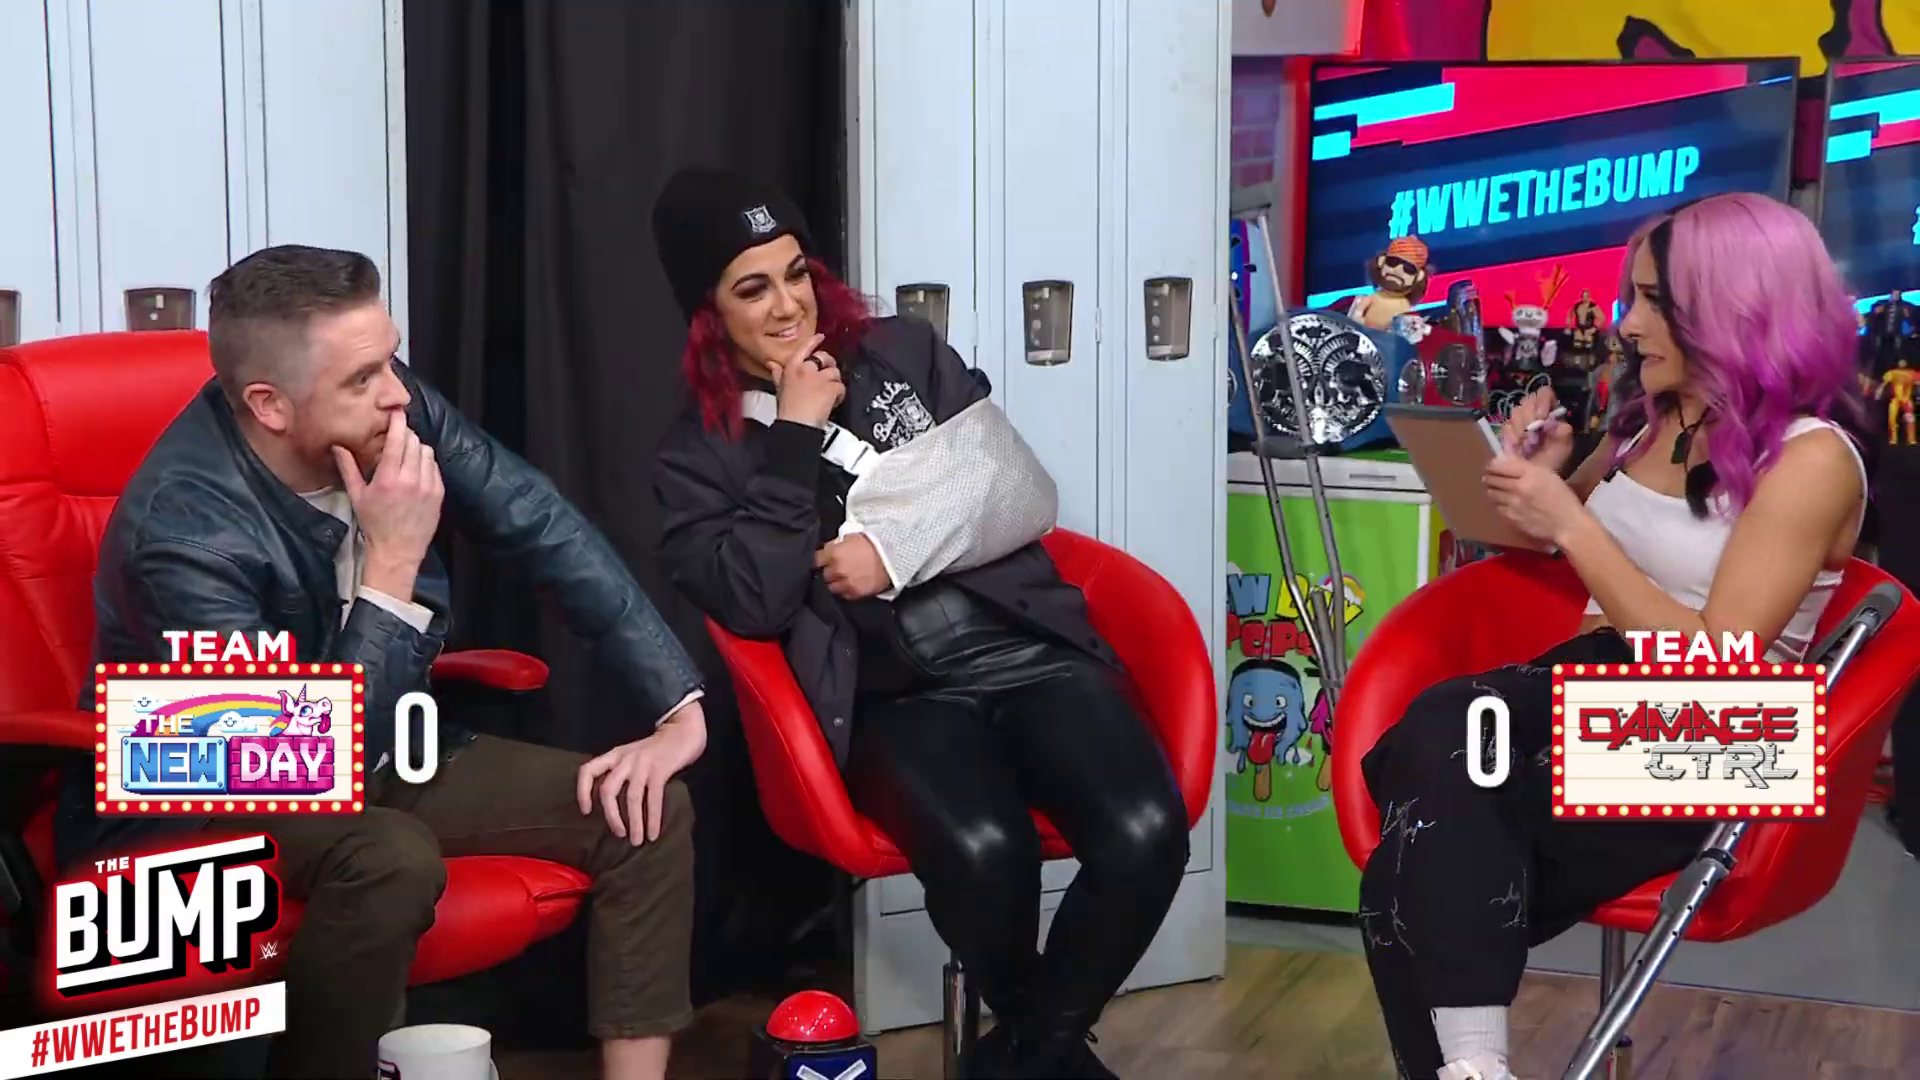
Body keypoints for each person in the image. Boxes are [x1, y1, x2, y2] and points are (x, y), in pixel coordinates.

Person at [55, 246, 710, 1080]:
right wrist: (393, 566)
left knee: (643, 813)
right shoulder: (183, 534)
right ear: (269, 405)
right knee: (390, 856)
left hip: (372, 743)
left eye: (391, 360)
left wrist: (676, 706)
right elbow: (290, 763)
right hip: (205, 788)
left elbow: (535, 520)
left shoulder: (387, 411)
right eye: (362, 378)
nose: (398, 393)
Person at [647, 167, 1190, 1080]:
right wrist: (795, 436)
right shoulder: (698, 457)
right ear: (709, 313)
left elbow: (1013, 486)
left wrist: (892, 548)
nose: (788, 305)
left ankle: (1029, 1055)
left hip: (1028, 650)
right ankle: (1047, 1054)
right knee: (986, 851)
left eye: (796, 273)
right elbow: (755, 602)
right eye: (753, 288)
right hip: (891, 696)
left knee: (1147, 830)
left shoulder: (902, 351)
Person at [1357, 193, 1872, 1080]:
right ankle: (1474, 1067)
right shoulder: (1650, 421)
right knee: (1434, 792)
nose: (1628, 324)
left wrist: (1572, 522)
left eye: (1654, 302)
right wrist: (1532, 479)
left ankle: (1470, 1061)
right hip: (1593, 686)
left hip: (1729, 737)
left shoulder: (1812, 457)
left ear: (1737, 307)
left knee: (1424, 822)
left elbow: (1719, 663)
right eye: (1630, 297)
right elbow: (1552, 550)